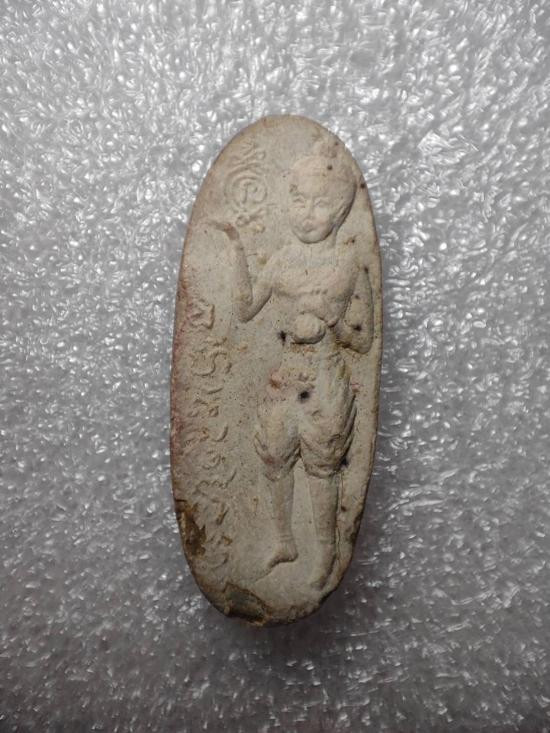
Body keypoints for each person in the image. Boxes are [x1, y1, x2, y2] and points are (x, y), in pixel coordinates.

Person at [221, 139, 373, 589]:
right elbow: (245, 309)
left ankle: (325, 552)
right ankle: (284, 541)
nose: (308, 214)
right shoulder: (282, 259)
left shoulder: (349, 263)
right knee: (274, 457)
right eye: (300, 201)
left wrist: (334, 326)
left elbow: (364, 340)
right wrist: (236, 251)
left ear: (340, 211)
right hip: (285, 377)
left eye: (320, 204)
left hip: (324, 378)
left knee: (322, 465)